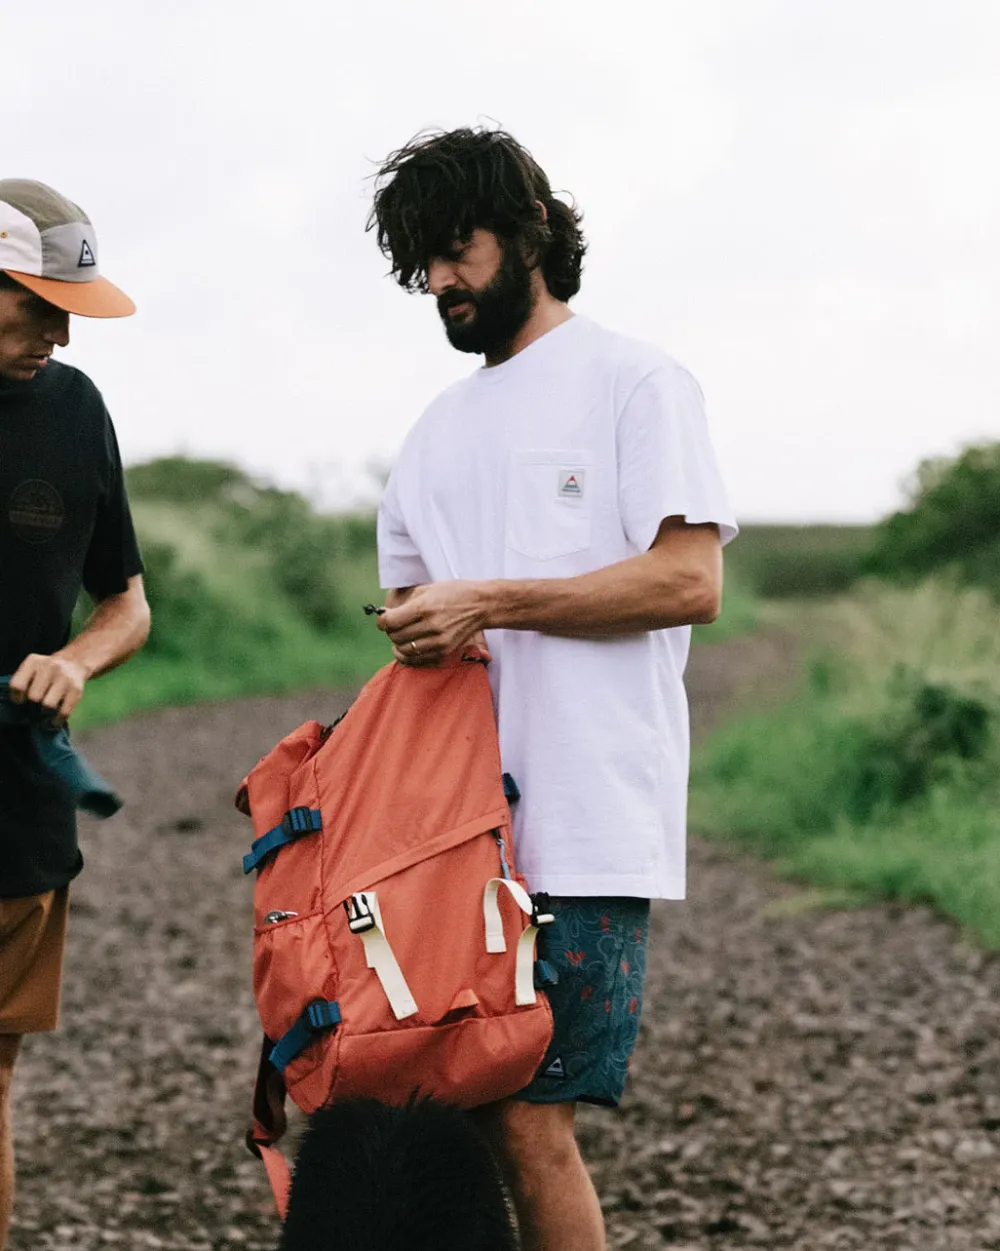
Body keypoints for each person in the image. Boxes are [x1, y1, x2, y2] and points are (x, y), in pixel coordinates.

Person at [368, 127, 737, 1251]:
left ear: (529, 233)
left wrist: (487, 600)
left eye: (457, 248)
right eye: (422, 261)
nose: (440, 279)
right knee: (442, 1106)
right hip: (448, 836)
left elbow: (688, 580)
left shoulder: (635, 382)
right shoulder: (433, 433)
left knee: (528, 1118)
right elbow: (413, 619)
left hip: (583, 821)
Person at [0, 179, 150, 1249]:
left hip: (19, 807)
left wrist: (73, 661)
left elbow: (127, 603)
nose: (59, 332)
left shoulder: (76, 408)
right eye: (38, 304)